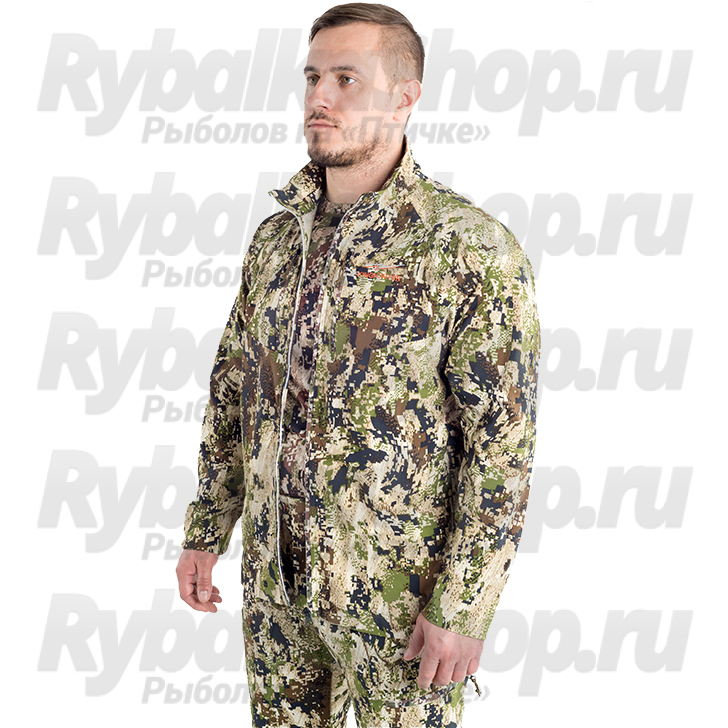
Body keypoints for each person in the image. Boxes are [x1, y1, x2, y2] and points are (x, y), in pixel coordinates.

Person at [175, 3, 541, 726]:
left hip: (400, 607)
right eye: (313, 77)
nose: (320, 97)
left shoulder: (465, 248)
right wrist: (206, 528)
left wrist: (463, 606)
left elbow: (502, 448)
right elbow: (232, 391)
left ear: (404, 98)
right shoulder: (277, 241)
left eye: (347, 79)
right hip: (278, 592)